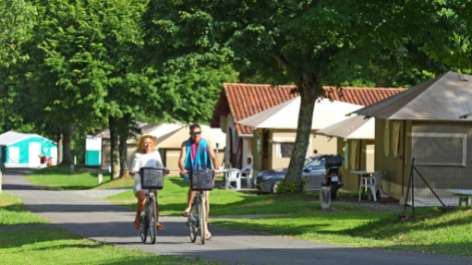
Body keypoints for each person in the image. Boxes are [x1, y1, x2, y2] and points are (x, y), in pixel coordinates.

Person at [179, 123, 219, 240]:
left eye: (198, 133)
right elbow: (181, 159)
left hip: (205, 172)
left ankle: (205, 228)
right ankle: (188, 207)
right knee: (193, 180)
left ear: (201, 133)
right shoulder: (185, 144)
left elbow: (214, 157)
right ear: (190, 133)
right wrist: (183, 169)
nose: (196, 135)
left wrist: (216, 168)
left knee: (206, 198)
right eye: (193, 133)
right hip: (190, 172)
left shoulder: (207, 143)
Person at [130, 135, 169, 231]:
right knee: (143, 201)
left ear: (153, 144)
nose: (148, 145)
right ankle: (137, 218)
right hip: (140, 182)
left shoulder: (156, 153)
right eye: (146, 143)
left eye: (150, 143)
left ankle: (156, 221)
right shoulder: (138, 155)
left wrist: (165, 170)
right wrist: (134, 172)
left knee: (154, 200)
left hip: (153, 181)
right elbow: (135, 167)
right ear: (142, 144)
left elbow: (161, 166)